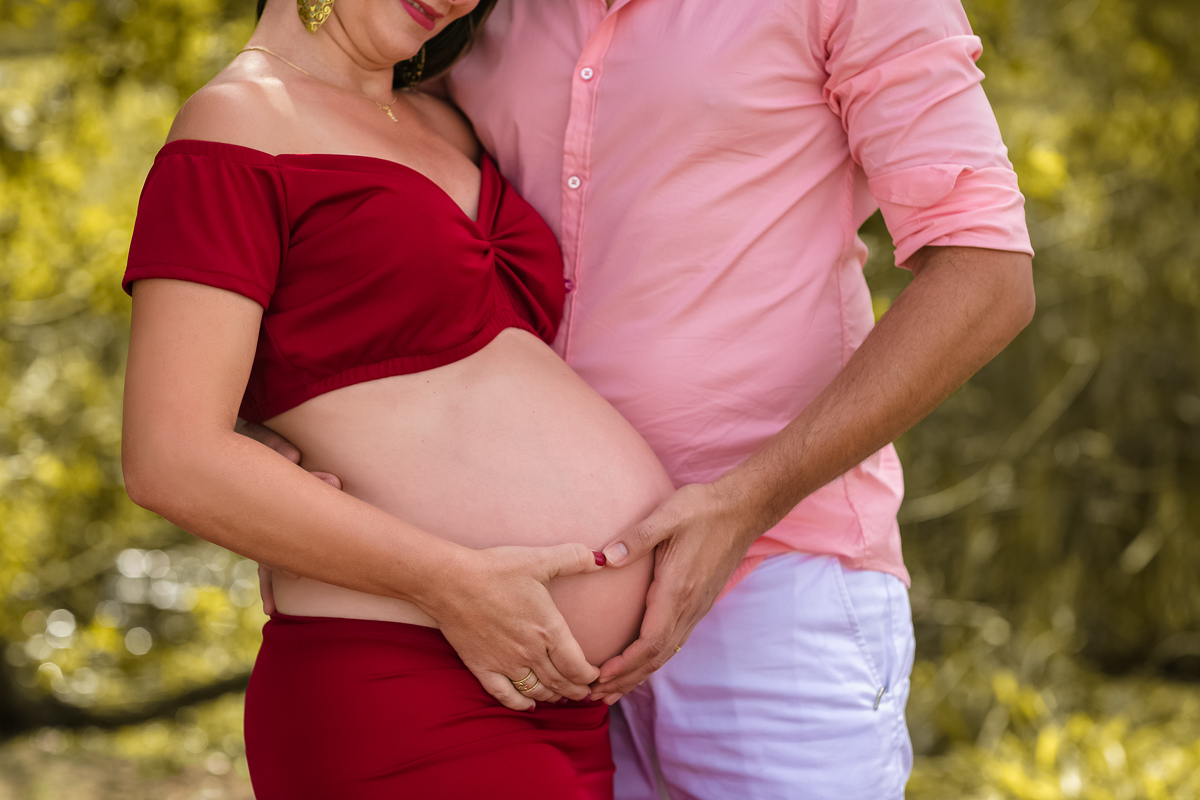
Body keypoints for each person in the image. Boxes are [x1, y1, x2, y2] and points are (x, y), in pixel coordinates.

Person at [254, 0, 1037, 796]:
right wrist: (299, 433)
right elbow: (368, 217)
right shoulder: (471, 7)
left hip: (771, 582)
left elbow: (987, 274)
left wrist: (745, 504)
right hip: (503, 616)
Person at [119, 0, 680, 796]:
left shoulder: (451, 118)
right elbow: (169, 457)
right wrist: (450, 582)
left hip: (564, 700)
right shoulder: (233, 121)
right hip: (402, 676)